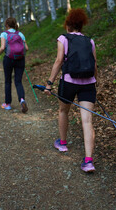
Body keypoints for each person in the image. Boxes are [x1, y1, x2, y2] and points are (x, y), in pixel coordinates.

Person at [44, 9, 98, 172]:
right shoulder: (90, 41)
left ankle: (63, 143)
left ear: (68, 25)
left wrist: (49, 83)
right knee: (87, 121)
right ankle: (88, 161)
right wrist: (95, 83)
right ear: (81, 26)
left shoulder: (63, 38)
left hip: (69, 82)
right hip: (88, 83)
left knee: (63, 111)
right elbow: (95, 65)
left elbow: (59, 60)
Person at [0, 17, 29, 113]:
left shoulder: (4, 34)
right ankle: (22, 100)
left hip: (8, 59)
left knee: (8, 81)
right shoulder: (20, 34)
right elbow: (26, 48)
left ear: (6, 25)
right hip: (20, 59)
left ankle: (8, 104)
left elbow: (2, 47)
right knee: (18, 81)